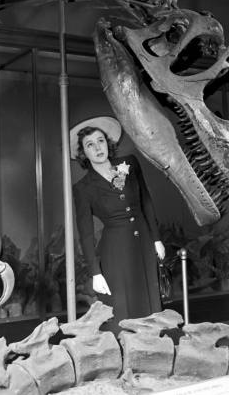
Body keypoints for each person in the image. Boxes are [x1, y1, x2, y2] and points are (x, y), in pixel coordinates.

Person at [70, 116, 165, 330]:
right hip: (115, 252)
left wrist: (156, 239)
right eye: (90, 145)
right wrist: (95, 271)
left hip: (142, 244)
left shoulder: (128, 164)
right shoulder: (83, 188)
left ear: (108, 142)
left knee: (149, 303)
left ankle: (153, 352)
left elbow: (146, 201)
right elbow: (84, 233)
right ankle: (125, 355)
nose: (97, 148)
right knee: (122, 310)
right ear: (84, 153)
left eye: (100, 140)